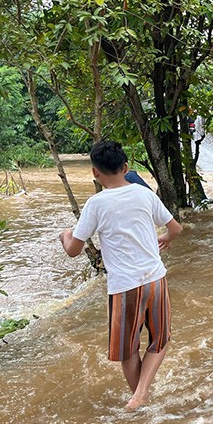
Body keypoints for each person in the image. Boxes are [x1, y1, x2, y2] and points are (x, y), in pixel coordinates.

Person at [58, 140, 183, 410]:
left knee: (128, 349)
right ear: (125, 168)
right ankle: (142, 394)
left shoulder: (96, 204)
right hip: (156, 279)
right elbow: (176, 229)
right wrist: (165, 238)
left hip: (125, 287)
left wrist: (65, 235)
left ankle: (138, 396)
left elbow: (73, 250)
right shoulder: (144, 194)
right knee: (159, 340)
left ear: (95, 172)